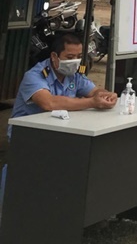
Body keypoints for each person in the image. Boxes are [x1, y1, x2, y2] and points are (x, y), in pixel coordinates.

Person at [0, 33, 118, 215]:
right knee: (22, 177)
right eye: (69, 57)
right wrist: (91, 102)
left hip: (58, 134)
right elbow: (48, 103)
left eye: (78, 57)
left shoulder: (74, 75)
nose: (75, 62)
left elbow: (93, 91)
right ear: (54, 57)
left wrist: (106, 95)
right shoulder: (35, 75)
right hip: (28, 137)